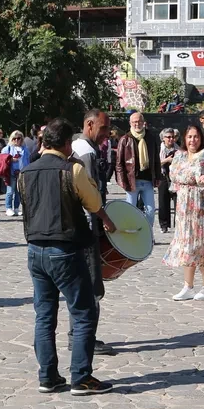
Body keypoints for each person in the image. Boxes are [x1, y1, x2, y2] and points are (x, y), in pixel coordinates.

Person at [17, 118, 118, 396]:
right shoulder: (72, 169)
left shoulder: (25, 172)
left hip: (35, 249)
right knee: (83, 313)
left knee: (45, 316)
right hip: (65, 249)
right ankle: (81, 377)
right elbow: (94, 203)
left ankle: (48, 376)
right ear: (65, 144)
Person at [71, 110, 116, 354]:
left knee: (80, 284)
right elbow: (90, 195)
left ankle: (76, 334)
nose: (106, 134)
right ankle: (84, 337)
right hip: (87, 227)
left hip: (76, 226)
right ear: (89, 124)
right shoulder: (87, 153)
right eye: (103, 128)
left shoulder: (76, 146)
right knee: (90, 285)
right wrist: (104, 219)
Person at [166, 123, 204, 301]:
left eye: (196, 136)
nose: (193, 140)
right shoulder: (179, 156)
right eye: (189, 137)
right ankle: (188, 286)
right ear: (184, 138)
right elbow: (173, 174)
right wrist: (194, 178)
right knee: (187, 245)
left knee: (203, 246)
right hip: (185, 209)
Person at [115, 111, 161, 226]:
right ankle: (131, 232)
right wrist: (122, 181)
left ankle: (147, 233)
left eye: (139, 121)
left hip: (147, 181)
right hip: (132, 182)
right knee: (130, 210)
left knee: (150, 211)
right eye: (135, 122)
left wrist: (158, 176)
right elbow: (119, 163)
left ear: (143, 122)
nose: (137, 124)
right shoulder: (125, 139)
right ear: (130, 123)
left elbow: (156, 159)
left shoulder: (150, 137)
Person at [157, 128, 180, 234]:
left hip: (176, 178)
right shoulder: (159, 149)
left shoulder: (178, 149)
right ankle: (164, 225)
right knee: (163, 202)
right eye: (168, 137)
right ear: (163, 138)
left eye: (173, 137)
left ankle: (178, 224)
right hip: (163, 177)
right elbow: (156, 164)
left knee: (177, 203)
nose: (171, 139)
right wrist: (166, 160)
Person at [2, 131, 27, 216]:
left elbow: (28, 160)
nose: (16, 140)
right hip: (11, 173)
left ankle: (16, 208)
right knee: (10, 191)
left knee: (19, 192)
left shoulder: (25, 149)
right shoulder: (7, 149)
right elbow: (2, 160)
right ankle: (8, 208)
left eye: (18, 138)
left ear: (21, 139)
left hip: (21, 172)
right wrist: (11, 160)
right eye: (14, 138)